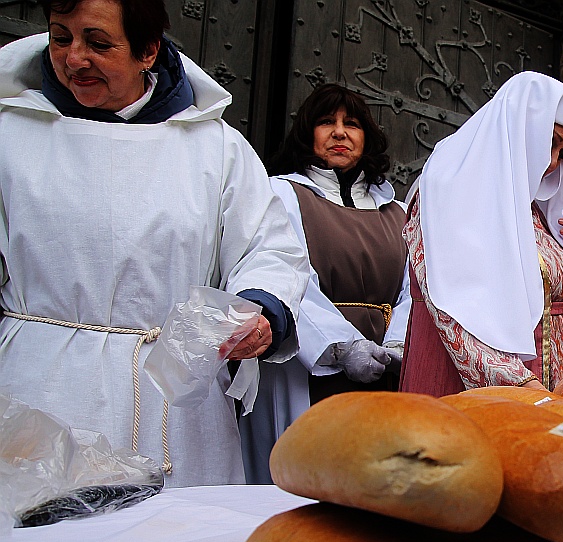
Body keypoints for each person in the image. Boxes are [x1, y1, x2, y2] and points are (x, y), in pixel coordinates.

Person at [0, 0, 308, 486]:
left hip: (175, 400)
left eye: (98, 43)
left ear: (148, 51)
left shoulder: (215, 147)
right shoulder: (10, 134)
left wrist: (261, 311)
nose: (74, 58)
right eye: (62, 37)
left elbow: (269, 249)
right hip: (40, 391)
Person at [238, 83, 409, 484]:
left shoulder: (397, 212)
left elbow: (414, 288)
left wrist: (400, 344)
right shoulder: (281, 193)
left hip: (385, 366)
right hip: (312, 365)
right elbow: (284, 274)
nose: (339, 132)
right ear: (307, 133)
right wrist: (342, 347)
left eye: (351, 124)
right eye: (325, 122)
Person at [399, 71, 563, 397]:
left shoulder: (537, 209)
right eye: (550, 141)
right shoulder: (448, 190)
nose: (553, 163)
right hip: (471, 386)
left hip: (548, 386)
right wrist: (519, 384)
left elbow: (559, 309)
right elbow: (451, 310)